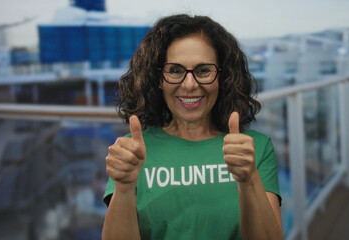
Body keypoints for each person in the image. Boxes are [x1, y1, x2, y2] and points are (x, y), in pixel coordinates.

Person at [102, 14, 283, 240]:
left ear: (222, 77)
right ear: (158, 78)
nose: (189, 84)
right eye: (175, 70)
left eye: (203, 70)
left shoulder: (255, 148)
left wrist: (249, 180)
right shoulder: (131, 152)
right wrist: (125, 188)